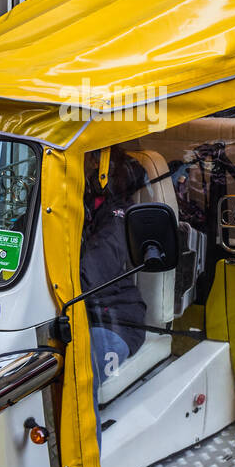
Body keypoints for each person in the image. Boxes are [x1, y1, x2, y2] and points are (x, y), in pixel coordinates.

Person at [80, 149, 147, 449]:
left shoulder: (117, 213)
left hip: (114, 320)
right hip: (66, 317)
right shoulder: (54, 206)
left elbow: (92, 272)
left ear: (97, 165)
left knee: (80, 370)